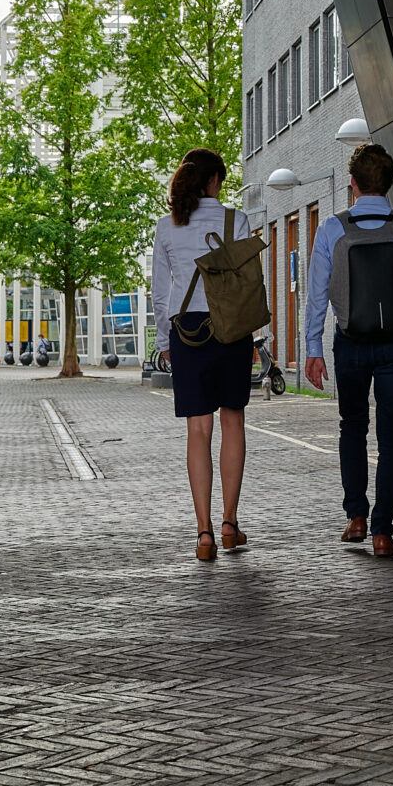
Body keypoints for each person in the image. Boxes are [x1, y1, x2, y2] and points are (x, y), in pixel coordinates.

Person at [304, 143, 393, 558]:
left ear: (352, 183)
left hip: (351, 343)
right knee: (392, 436)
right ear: (389, 183)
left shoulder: (332, 229)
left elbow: (316, 295)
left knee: (352, 427)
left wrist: (313, 348)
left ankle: (356, 518)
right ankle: (383, 532)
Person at [153, 147, 253, 561]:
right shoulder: (236, 220)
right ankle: (230, 523)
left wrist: (164, 342)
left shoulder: (167, 226)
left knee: (198, 430)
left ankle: (204, 533)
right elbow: (249, 283)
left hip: (187, 331)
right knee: (233, 421)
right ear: (214, 181)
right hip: (231, 326)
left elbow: (161, 293)